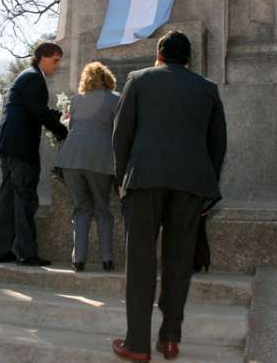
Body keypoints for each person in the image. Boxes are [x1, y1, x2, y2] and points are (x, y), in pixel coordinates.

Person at [111, 30, 227, 361]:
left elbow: (121, 136)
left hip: (144, 180)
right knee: (179, 262)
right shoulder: (207, 89)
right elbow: (217, 144)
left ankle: (137, 344)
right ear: (189, 58)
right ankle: (171, 338)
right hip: (191, 184)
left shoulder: (138, 79)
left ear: (159, 54)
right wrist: (208, 189)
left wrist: (122, 180)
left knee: (141, 263)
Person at [0, 42, 68, 266]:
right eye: (55, 59)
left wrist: (54, 115)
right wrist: (63, 131)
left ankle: (2, 250)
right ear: (42, 57)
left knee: (8, 199)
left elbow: (32, 109)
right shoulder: (34, 78)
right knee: (25, 198)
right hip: (22, 148)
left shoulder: (26, 76)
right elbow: (38, 113)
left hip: (8, 146)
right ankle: (26, 253)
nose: (58, 64)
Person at [54, 62, 119, 272]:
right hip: (100, 160)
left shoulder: (76, 100)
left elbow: (71, 128)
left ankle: (78, 260)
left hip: (71, 159)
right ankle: (107, 259)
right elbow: (119, 132)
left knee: (81, 208)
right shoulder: (115, 100)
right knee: (101, 208)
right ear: (107, 78)